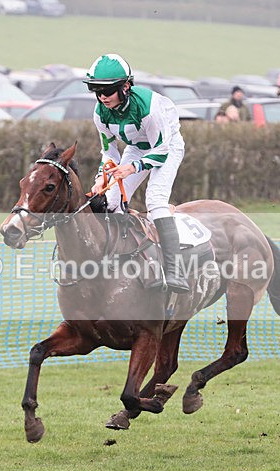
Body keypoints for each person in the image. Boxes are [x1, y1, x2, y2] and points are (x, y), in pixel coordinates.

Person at [84, 53, 189, 293]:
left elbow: (160, 151)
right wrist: (102, 178)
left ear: (126, 86)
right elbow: (109, 153)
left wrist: (131, 168)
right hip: (137, 147)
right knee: (110, 201)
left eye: (107, 91)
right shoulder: (100, 112)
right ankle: (122, 261)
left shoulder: (148, 108)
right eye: (96, 90)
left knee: (156, 200)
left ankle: (174, 271)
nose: (102, 97)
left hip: (167, 146)